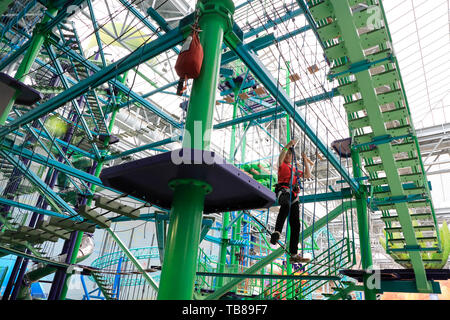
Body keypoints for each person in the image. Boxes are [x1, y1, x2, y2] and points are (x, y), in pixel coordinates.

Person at [270, 139, 311, 263]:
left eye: (290, 154)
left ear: (293, 157)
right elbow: (281, 156)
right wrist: (288, 145)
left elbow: (308, 175)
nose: (288, 155)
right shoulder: (282, 165)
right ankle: (277, 232)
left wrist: (305, 160)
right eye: (287, 153)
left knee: (296, 225)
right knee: (285, 205)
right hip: (283, 191)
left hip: (294, 195)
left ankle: (294, 254)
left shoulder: (294, 169)